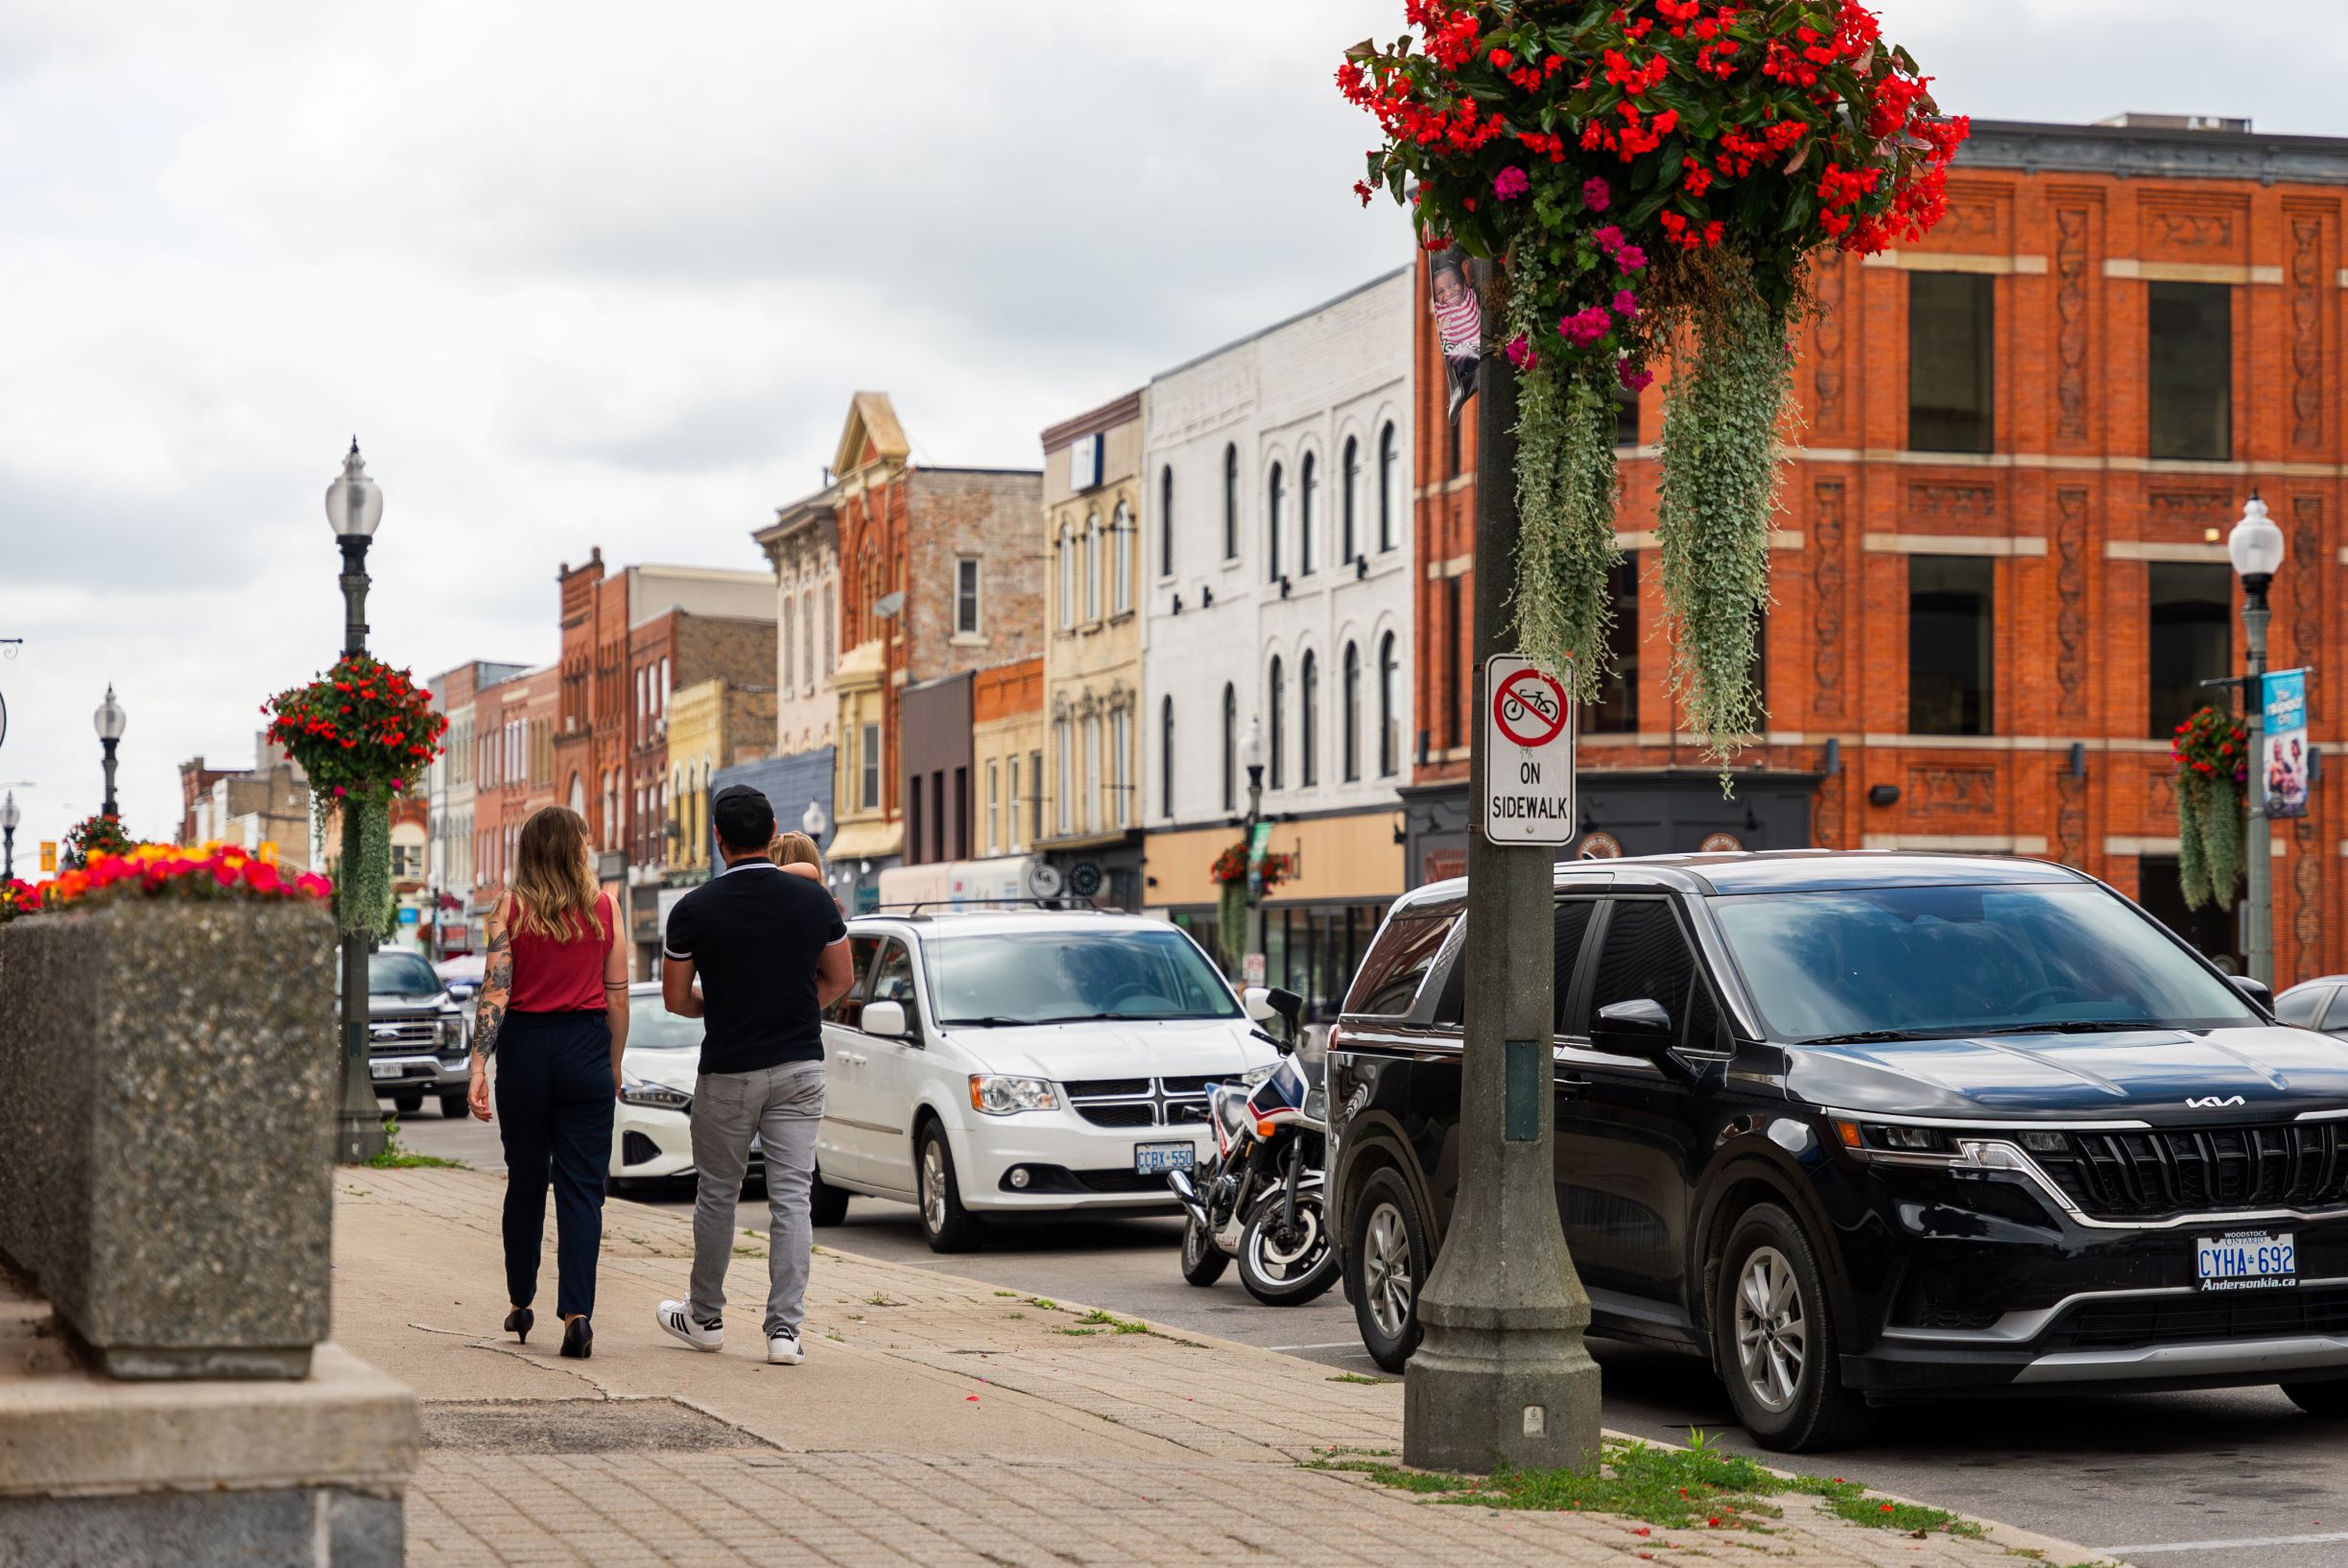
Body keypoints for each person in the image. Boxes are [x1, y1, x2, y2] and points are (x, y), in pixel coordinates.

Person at [655, 785, 857, 1365]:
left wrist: (720, 1008)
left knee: (717, 1194)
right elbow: (840, 979)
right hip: (800, 1065)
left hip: (728, 1071)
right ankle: (784, 1333)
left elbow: (674, 999)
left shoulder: (693, 909)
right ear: (773, 831)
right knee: (792, 1197)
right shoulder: (811, 901)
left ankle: (706, 1318)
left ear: (718, 841)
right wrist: (791, 1007)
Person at [466, 805, 627, 1361]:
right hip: (584, 1045)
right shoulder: (606, 907)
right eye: (584, 839)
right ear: (572, 848)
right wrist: (614, 1059)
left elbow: (496, 991)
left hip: (526, 1051)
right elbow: (617, 994)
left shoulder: (509, 908)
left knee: (527, 1179)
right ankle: (577, 1314)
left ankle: (520, 1299)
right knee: (583, 1187)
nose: (589, 847)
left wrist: (478, 1067)